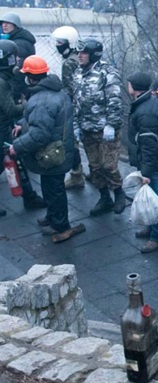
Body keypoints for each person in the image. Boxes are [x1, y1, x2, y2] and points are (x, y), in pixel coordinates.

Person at [9, 56, 79, 241]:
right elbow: (40, 119)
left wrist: (18, 146)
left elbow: (40, 134)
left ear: (31, 78)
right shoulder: (56, 92)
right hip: (60, 149)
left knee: (54, 190)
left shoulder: (41, 99)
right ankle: (52, 217)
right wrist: (23, 125)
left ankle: (61, 226)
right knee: (51, 188)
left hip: (51, 155)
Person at [73, 38, 126, 217]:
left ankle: (119, 193)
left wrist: (111, 125)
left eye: (83, 52)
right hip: (87, 128)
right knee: (95, 167)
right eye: (78, 52)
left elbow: (115, 100)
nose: (79, 56)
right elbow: (76, 101)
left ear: (93, 54)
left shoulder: (107, 72)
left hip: (105, 130)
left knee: (108, 165)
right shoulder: (78, 73)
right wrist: (75, 125)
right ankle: (105, 198)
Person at [0, 39, 45, 211]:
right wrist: (29, 104)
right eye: (14, 58)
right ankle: (30, 198)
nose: (17, 61)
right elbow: (10, 110)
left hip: (4, 127)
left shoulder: (4, 79)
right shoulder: (1, 82)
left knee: (16, 160)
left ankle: (30, 197)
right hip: (2, 129)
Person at [126, 72, 158, 253]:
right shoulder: (147, 103)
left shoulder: (145, 111)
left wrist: (146, 171)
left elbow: (149, 144)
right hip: (149, 161)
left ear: (134, 88)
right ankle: (152, 228)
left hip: (150, 162)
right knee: (150, 194)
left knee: (154, 198)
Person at [51, 25, 86, 190]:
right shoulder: (77, 57)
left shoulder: (69, 62)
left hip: (74, 108)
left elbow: (69, 88)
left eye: (60, 42)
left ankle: (76, 174)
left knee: (72, 142)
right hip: (84, 106)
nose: (58, 45)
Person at [0, 12, 35, 100]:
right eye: (3, 23)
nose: (4, 25)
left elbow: (17, 71)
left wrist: (14, 93)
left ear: (15, 25)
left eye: (8, 23)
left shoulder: (19, 43)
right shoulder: (14, 39)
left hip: (17, 86)